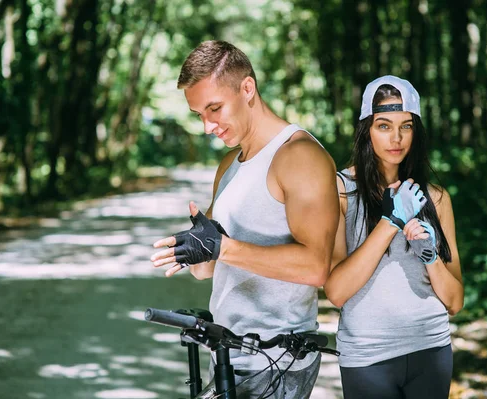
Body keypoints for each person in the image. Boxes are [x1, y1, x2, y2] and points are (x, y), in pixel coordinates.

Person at [149, 40, 339, 398]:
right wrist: (197, 252)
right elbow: (213, 266)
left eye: (215, 108)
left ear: (247, 88)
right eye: (199, 115)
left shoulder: (299, 156)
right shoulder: (229, 165)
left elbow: (317, 267)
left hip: (277, 362)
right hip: (226, 356)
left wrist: (224, 247)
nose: (207, 127)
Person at [324, 75, 464, 399]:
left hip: (431, 350)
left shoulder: (436, 198)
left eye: (407, 126)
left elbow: (455, 301)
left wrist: (429, 255)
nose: (396, 138)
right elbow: (336, 291)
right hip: (367, 356)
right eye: (384, 125)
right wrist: (392, 221)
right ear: (365, 130)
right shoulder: (341, 191)